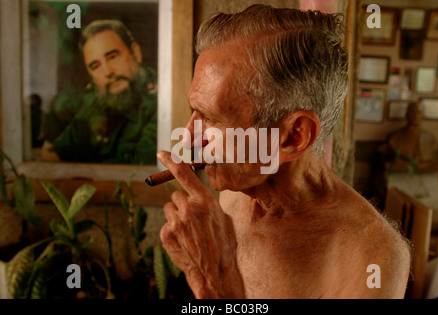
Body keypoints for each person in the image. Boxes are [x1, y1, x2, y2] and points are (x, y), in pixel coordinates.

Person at [157, 5, 411, 299]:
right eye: (194, 111)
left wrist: (214, 283)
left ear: (293, 136)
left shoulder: (370, 260)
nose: (187, 139)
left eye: (210, 118)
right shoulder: (236, 192)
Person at [41, 19, 157, 164]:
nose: (108, 72)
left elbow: (142, 166)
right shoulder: (96, 100)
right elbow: (53, 153)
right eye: (96, 66)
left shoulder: (162, 98)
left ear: (135, 52)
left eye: (113, 57)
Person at [385, 101, 438, 172]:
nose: (416, 116)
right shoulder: (395, 138)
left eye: (420, 113)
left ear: (423, 116)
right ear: (407, 115)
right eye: (413, 112)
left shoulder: (431, 137)